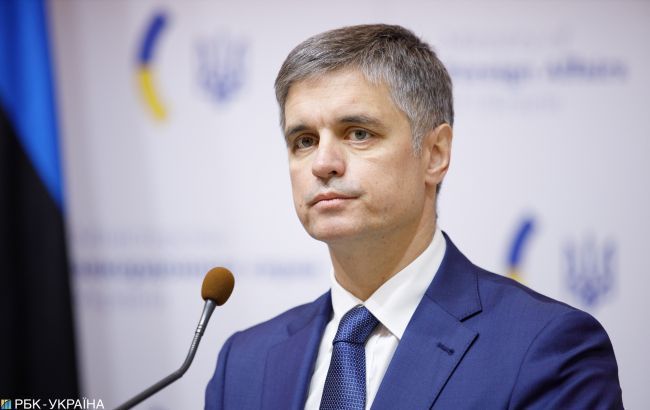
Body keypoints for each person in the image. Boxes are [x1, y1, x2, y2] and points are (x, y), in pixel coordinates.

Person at [205, 24, 623, 409]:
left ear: (435, 154)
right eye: (304, 140)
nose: (323, 163)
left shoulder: (547, 350)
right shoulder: (243, 363)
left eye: (358, 133)